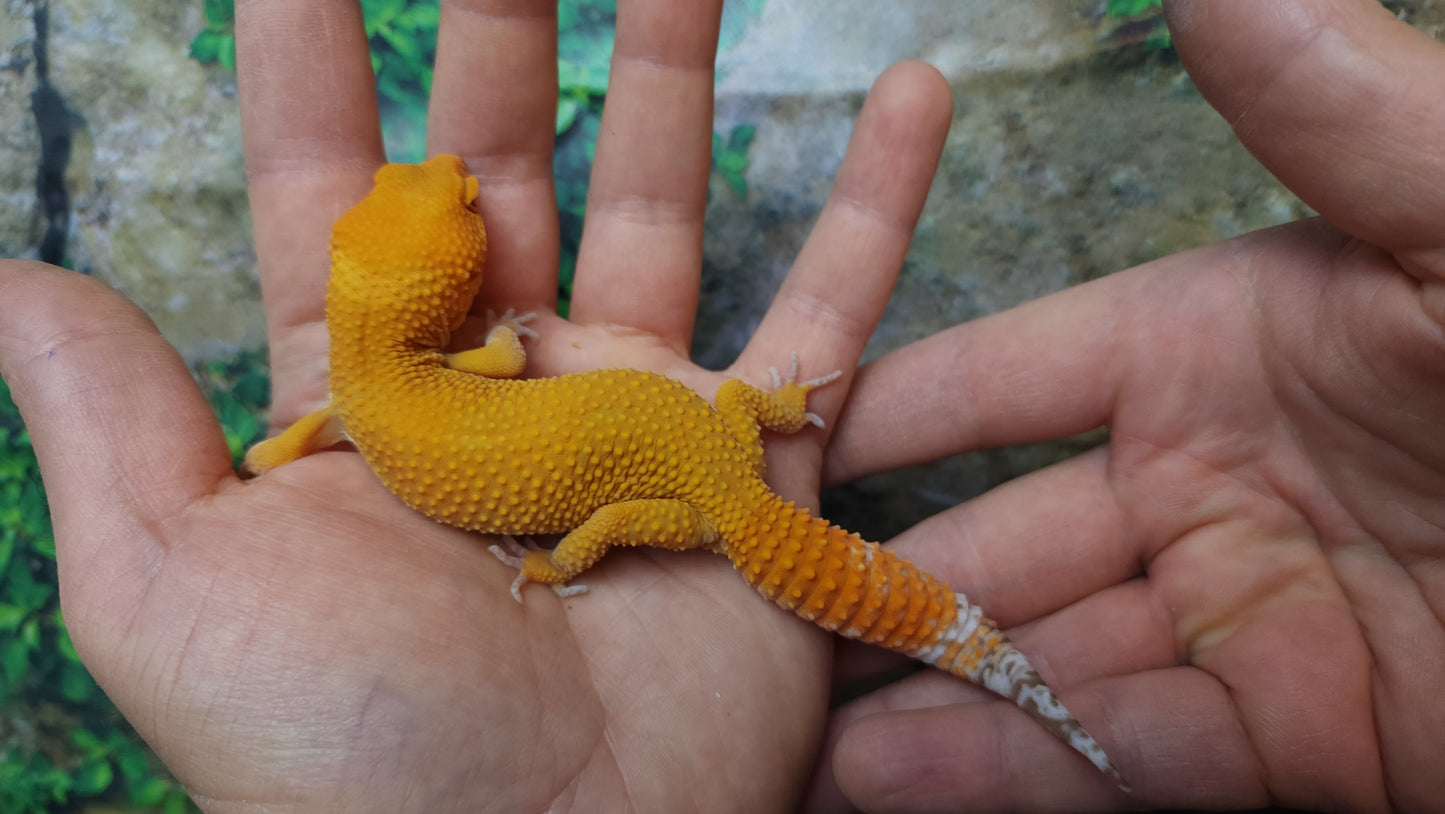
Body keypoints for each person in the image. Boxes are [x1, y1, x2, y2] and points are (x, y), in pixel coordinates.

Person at [0, 0, 1439, 811]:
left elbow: (286, 439)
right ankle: (983, 656)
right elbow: (511, 363)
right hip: (714, 451)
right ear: (437, 298)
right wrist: (574, 513)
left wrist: (303, 462)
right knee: (701, 456)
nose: (435, 182)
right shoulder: (482, 371)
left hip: (685, 483)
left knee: (639, 506)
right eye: (432, 202)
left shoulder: (362, 407)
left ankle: (987, 660)